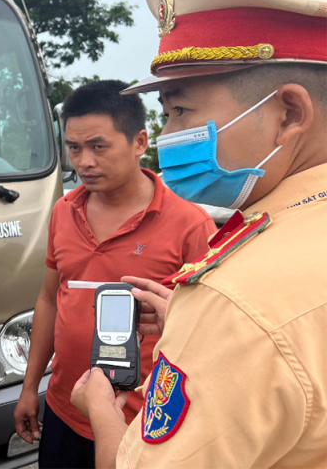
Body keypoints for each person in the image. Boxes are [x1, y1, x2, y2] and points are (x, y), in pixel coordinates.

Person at [71, 0, 327, 468]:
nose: (167, 139)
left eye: (181, 111)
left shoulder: (236, 299)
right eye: (166, 116)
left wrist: (102, 413)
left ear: (289, 114)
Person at [13, 80, 216, 468]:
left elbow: (207, 333)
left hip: (146, 422)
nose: (84, 161)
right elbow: (50, 300)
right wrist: (29, 388)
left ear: (139, 142)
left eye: (98, 146)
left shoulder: (189, 226)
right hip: (66, 407)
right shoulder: (63, 211)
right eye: (74, 148)